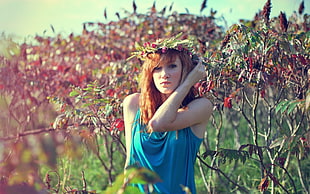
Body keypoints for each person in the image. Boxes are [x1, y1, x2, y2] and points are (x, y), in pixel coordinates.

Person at [123, 33, 213, 194]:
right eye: (157, 68)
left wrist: (188, 82)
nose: (164, 74)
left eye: (172, 66)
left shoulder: (200, 107)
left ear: (186, 69)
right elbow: (129, 163)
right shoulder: (133, 104)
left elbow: (159, 124)